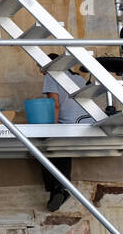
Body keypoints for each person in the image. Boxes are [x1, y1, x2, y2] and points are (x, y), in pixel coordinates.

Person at [38, 55, 96, 212]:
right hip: (87, 123)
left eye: (40, 66)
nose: (40, 71)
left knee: (44, 146)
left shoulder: (52, 75)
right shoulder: (78, 78)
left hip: (69, 125)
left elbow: (55, 104)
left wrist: (52, 128)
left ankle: (57, 189)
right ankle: (60, 189)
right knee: (62, 148)